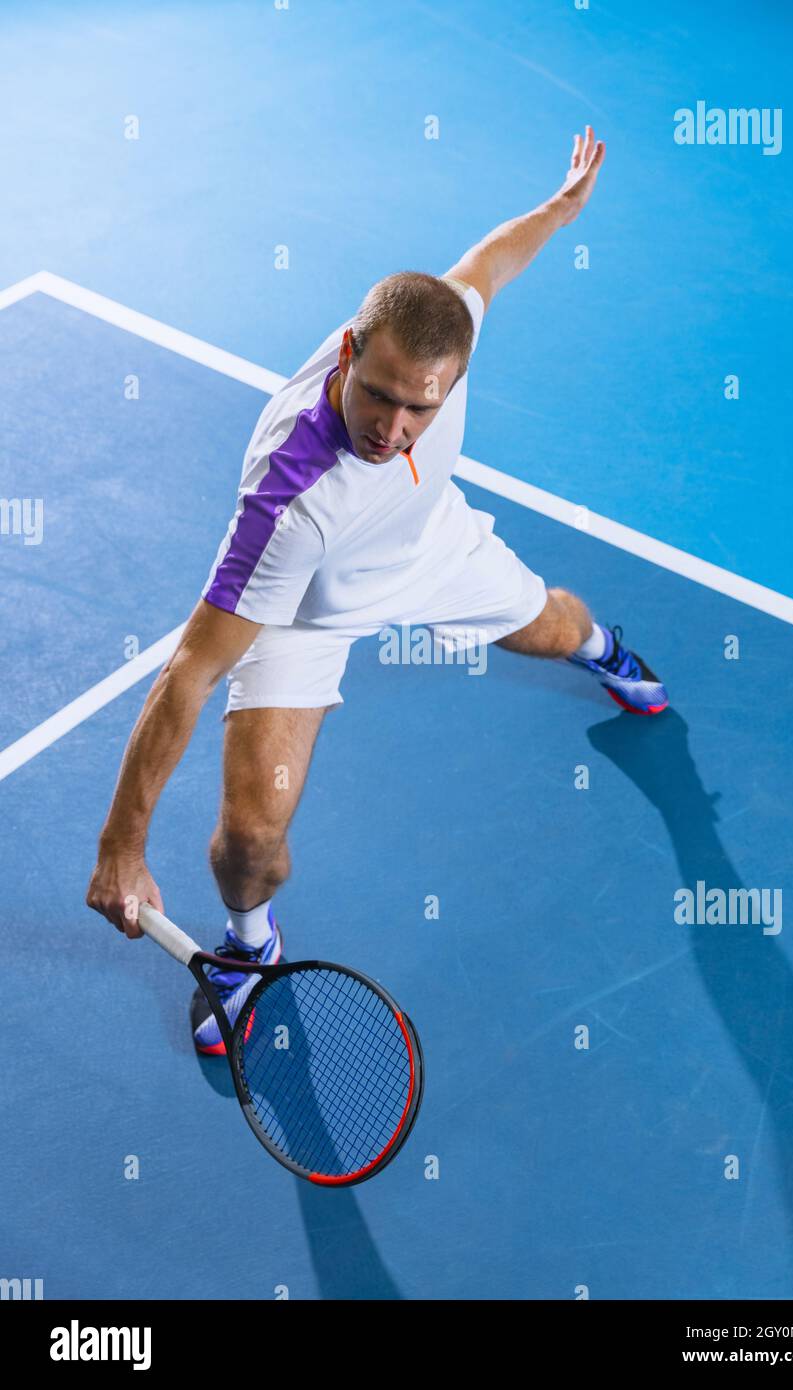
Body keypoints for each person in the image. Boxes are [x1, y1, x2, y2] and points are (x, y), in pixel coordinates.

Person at [86, 126, 667, 1052]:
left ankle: (604, 650)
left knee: (556, 627)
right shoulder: (287, 504)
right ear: (351, 350)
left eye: (421, 407)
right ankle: (250, 945)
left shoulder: (443, 327)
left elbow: (488, 261)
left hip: (430, 551)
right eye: (379, 394)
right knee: (247, 842)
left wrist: (561, 206)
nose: (394, 427)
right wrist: (122, 845)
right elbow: (188, 673)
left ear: (456, 373)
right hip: (301, 612)